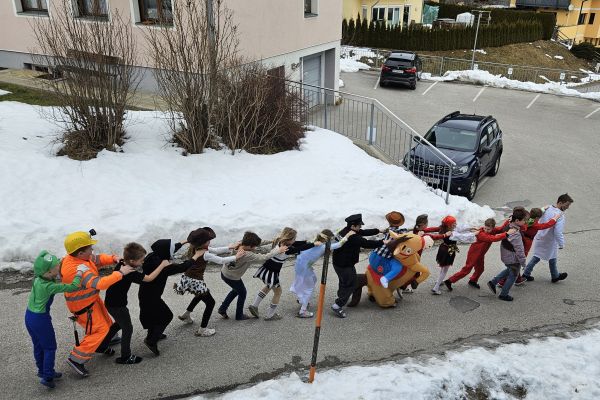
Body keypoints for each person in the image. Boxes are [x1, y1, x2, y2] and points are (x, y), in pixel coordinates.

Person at [60, 231, 135, 377]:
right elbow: (100, 283)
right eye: (90, 248)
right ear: (81, 253)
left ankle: (103, 344)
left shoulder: (76, 257)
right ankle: (76, 359)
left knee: (106, 323)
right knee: (98, 330)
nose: (92, 250)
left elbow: (97, 259)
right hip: (83, 307)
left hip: (91, 301)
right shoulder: (77, 270)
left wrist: (114, 258)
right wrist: (121, 273)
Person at [25, 251, 84, 388]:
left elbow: (51, 269)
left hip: (29, 316)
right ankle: (47, 377)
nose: (59, 266)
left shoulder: (38, 278)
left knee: (38, 345)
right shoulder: (49, 286)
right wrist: (79, 273)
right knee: (50, 347)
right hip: (40, 319)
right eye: (56, 266)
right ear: (49, 272)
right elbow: (72, 286)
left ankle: (43, 370)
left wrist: (65, 259)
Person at [104, 243, 169, 364]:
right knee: (127, 328)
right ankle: (125, 356)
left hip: (111, 302)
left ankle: (101, 345)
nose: (143, 262)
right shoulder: (129, 272)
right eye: (141, 260)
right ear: (132, 261)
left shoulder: (122, 263)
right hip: (118, 305)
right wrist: (162, 265)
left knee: (118, 324)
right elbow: (149, 278)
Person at [175, 228, 244, 336]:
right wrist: (236, 257)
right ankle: (202, 330)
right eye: (208, 240)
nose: (210, 242)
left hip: (187, 278)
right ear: (203, 242)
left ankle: (186, 314)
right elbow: (221, 260)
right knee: (210, 303)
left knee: (200, 295)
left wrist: (230, 247)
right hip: (195, 281)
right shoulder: (205, 253)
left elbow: (215, 250)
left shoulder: (194, 247)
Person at [138, 236, 199, 356]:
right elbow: (182, 267)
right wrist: (196, 256)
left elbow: (169, 249)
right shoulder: (163, 267)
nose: (172, 251)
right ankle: (151, 341)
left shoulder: (152, 256)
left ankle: (155, 333)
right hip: (152, 297)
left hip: (145, 294)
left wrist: (185, 241)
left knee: (154, 315)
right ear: (165, 253)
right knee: (167, 316)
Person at [218, 232, 288, 321]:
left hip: (224, 272)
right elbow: (263, 257)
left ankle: (222, 308)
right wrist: (278, 250)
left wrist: (271, 241)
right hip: (232, 277)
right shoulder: (247, 254)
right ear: (249, 246)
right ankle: (239, 315)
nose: (255, 248)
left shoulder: (240, 243)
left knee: (236, 290)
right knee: (242, 293)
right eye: (254, 246)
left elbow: (259, 243)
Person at [249, 227, 316, 321]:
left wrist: (305, 242)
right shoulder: (286, 249)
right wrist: (313, 244)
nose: (295, 240)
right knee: (278, 292)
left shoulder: (279, 241)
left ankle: (254, 305)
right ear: (289, 239)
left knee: (268, 286)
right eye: (294, 238)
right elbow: (299, 248)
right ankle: (270, 315)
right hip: (272, 273)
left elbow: (296, 244)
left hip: (265, 269)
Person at [331, 214, 384, 318]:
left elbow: (363, 232)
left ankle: (341, 296)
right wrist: (382, 242)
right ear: (353, 226)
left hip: (338, 263)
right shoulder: (353, 237)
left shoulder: (346, 230)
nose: (360, 227)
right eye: (359, 225)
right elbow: (366, 243)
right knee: (351, 283)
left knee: (344, 282)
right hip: (345, 265)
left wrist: (378, 231)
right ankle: (337, 305)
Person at [290, 229, 353, 317]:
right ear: (327, 239)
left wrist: (340, 231)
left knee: (313, 279)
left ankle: (302, 300)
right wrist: (348, 235)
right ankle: (303, 311)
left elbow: (333, 236)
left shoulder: (314, 241)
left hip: (300, 264)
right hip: (304, 268)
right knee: (309, 288)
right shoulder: (324, 246)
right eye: (330, 239)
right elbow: (339, 244)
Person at [444, 218, 514, 290]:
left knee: (480, 269)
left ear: (493, 228)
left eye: (488, 229)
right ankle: (449, 281)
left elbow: (500, 229)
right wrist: (507, 234)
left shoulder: (493, 230)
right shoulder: (481, 234)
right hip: (473, 254)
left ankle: (473, 280)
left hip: (480, 255)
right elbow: (493, 238)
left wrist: (508, 221)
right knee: (467, 270)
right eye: (485, 228)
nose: (486, 230)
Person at [522, 194, 573, 283]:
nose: (568, 207)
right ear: (560, 203)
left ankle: (528, 274)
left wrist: (542, 208)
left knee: (541, 256)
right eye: (567, 205)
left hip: (540, 237)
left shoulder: (547, 208)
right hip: (550, 240)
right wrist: (561, 243)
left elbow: (536, 214)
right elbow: (558, 232)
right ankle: (554, 276)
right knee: (548, 257)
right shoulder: (560, 215)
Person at [487, 207, 528, 301]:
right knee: (513, 275)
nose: (525, 222)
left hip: (506, 254)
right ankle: (504, 294)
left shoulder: (509, 225)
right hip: (513, 258)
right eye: (524, 220)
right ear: (517, 220)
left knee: (509, 269)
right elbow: (519, 250)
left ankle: (493, 282)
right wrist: (523, 262)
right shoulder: (516, 233)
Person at [368, 211, 407, 290]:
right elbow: (406, 235)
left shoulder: (387, 230)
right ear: (399, 223)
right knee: (398, 267)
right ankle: (385, 279)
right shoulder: (399, 232)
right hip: (383, 258)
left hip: (373, 254)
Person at [431, 216, 457, 295]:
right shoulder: (451, 233)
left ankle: (438, 281)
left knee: (443, 268)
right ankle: (436, 287)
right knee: (445, 270)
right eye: (454, 223)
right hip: (449, 250)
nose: (456, 224)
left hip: (443, 248)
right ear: (449, 225)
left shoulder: (443, 229)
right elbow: (463, 237)